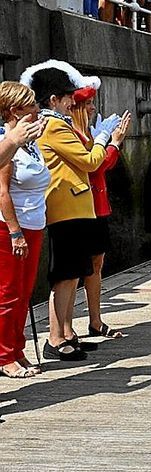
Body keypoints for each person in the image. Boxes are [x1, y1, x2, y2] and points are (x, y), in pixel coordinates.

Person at [23, 60, 122, 361]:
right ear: (54, 100)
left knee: (73, 274)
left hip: (75, 206)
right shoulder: (54, 126)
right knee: (65, 276)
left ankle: (67, 332)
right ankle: (56, 337)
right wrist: (106, 138)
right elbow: (91, 161)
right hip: (66, 206)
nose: (72, 102)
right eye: (67, 96)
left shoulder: (56, 125)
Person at [69, 77, 130, 340]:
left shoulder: (89, 133)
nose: (93, 108)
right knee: (72, 270)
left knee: (97, 264)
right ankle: (64, 328)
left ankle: (95, 321)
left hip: (98, 206)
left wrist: (110, 142)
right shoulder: (73, 133)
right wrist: (113, 142)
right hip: (82, 207)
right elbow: (95, 166)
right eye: (89, 103)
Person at [0, 82, 50, 377]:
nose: (36, 109)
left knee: (24, 293)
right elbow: (2, 192)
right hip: (10, 229)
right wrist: (15, 232)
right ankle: (4, 355)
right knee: (7, 293)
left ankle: (16, 350)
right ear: (14, 111)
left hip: (35, 224)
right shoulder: (7, 143)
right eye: (30, 105)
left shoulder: (29, 143)